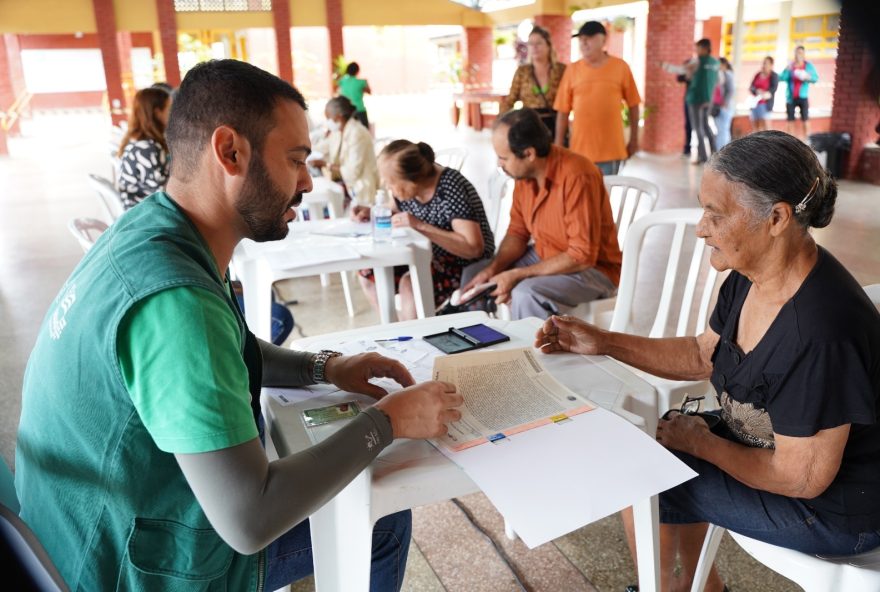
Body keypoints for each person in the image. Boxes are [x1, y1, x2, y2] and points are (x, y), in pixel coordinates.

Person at [15, 59, 463, 591]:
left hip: (66, 530)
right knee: (379, 521)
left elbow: (229, 346)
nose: (307, 181)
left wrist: (328, 366)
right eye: (295, 160)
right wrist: (389, 421)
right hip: (118, 566)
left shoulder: (152, 230)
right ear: (230, 152)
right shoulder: (177, 305)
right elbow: (250, 519)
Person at [535, 130, 880, 592]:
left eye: (715, 214)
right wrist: (602, 341)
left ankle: (671, 588)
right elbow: (703, 354)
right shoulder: (752, 274)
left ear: (776, 218)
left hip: (837, 509)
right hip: (776, 452)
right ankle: (696, 586)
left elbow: (800, 478)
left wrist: (703, 443)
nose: (701, 227)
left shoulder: (819, 332)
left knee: (642, 475)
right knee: (656, 444)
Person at [460, 108, 621, 320]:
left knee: (526, 294)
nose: (500, 164)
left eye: (503, 158)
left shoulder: (578, 175)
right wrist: (495, 268)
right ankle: (482, 345)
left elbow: (581, 256)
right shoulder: (524, 174)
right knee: (475, 276)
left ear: (528, 154)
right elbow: (517, 232)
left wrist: (517, 274)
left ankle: (530, 353)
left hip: (593, 269)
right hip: (547, 254)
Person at [351, 140, 495, 320]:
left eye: (391, 183)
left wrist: (419, 225)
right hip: (428, 253)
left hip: (463, 262)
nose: (389, 188)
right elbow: (395, 208)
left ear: (413, 180)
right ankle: (393, 329)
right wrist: (370, 210)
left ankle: (409, 339)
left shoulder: (451, 187)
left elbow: (473, 248)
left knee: (410, 283)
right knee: (369, 270)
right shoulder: (407, 189)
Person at [553, 21, 641, 176]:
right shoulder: (572, 70)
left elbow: (633, 105)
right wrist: (559, 144)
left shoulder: (620, 67)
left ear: (603, 39)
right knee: (581, 197)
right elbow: (562, 111)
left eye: (589, 38)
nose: (584, 43)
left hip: (611, 150)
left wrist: (634, 139)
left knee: (605, 198)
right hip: (579, 151)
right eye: (581, 39)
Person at [310, 95, 379, 206]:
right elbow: (322, 147)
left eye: (328, 118)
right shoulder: (339, 131)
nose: (327, 122)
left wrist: (325, 164)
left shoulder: (357, 133)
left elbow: (352, 172)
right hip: (348, 187)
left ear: (339, 117)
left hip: (363, 189)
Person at [499, 25, 567, 134]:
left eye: (539, 43)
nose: (534, 47)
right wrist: (501, 125)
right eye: (531, 43)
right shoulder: (522, 72)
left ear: (548, 45)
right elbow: (509, 100)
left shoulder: (561, 70)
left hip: (555, 125)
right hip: (529, 127)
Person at [115, 86, 172, 208]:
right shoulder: (147, 148)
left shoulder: (138, 140)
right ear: (158, 113)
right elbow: (163, 193)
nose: (172, 114)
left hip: (139, 209)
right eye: (169, 109)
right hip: (144, 213)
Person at [685, 38, 720, 164]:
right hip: (708, 99)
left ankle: (703, 157)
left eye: (698, 48)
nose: (696, 51)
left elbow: (685, 73)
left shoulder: (697, 62)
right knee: (706, 126)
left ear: (705, 48)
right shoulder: (716, 63)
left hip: (695, 98)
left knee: (697, 128)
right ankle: (716, 155)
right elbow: (719, 82)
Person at [781, 46, 819, 140]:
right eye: (797, 53)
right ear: (794, 54)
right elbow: (781, 78)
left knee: (805, 119)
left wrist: (806, 77)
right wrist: (786, 69)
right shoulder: (791, 65)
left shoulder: (808, 65)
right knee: (790, 120)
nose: (799, 55)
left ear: (804, 54)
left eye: (801, 53)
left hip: (803, 97)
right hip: (790, 97)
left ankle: (808, 141)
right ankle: (790, 142)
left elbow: (815, 79)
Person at [336, 62, 372, 129]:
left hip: (346, 110)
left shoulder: (342, 81)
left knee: (348, 130)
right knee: (365, 129)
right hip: (359, 109)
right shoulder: (361, 82)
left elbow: (338, 84)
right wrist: (366, 83)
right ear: (358, 71)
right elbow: (369, 92)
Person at [749, 56, 779, 132]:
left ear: (771, 65)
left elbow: (773, 88)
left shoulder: (774, 76)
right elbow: (751, 87)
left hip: (765, 104)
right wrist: (756, 91)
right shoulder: (758, 74)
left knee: (766, 127)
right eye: (764, 63)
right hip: (755, 103)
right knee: (756, 127)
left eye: (766, 63)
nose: (764, 65)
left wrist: (766, 93)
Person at [712, 57, 735, 149]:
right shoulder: (718, 75)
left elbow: (731, 90)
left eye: (718, 64)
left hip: (725, 107)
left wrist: (725, 103)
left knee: (723, 130)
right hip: (718, 106)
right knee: (722, 130)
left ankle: (721, 151)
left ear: (724, 65)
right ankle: (724, 150)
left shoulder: (727, 74)